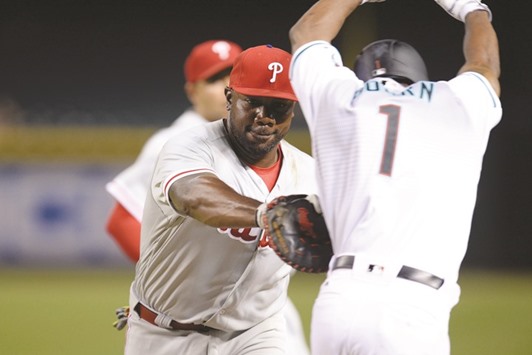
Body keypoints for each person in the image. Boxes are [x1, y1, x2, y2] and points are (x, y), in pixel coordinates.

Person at [288, 0, 501, 354]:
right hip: (412, 304)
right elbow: (484, 66)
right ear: (418, 76)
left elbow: (307, 32)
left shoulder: (338, 96)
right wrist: (472, 10)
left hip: (338, 300)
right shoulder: (457, 104)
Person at [105, 40, 311, 354]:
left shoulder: (309, 173)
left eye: (278, 106)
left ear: (293, 109)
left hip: (255, 329)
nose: (264, 115)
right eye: (252, 101)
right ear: (231, 97)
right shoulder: (182, 143)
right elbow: (194, 196)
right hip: (166, 332)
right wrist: (269, 215)